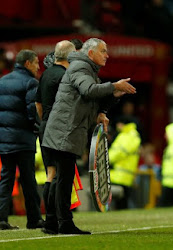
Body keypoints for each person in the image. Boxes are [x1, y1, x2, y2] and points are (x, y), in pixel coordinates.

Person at [42, 38, 136, 234]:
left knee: (61, 177)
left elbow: (91, 100)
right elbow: (88, 90)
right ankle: (64, 223)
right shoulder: (80, 68)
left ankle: (52, 223)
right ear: (91, 53)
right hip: (64, 131)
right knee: (64, 178)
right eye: (103, 51)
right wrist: (114, 86)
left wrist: (110, 100)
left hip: (66, 130)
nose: (107, 55)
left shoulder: (86, 70)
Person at [35, 40, 76, 234]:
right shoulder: (65, 76)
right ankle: (61, 220)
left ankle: (50, 221)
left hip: (44, 127)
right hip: (59, 128)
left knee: (51, 174)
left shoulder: (46, 74)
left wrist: (45, 121)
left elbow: (38, 104)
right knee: (61, 175)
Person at [0, 49, 44, 230]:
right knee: (28, 181)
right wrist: (37, 130)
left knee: (6, 179)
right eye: (36, 63)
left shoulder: (1, 81)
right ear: (27, 63)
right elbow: (32, 112)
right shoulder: (30, 82)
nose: (38, 67)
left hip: (4, 140)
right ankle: (34, 220)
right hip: (23, 140)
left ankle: (1, 219)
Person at [109, 118, 141, 209]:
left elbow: (120, 152)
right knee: (121, 202)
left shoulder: (129, 135)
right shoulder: (128, 135)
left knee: (121, 203)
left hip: (121, 174)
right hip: (122, 174)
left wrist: (106, 160)